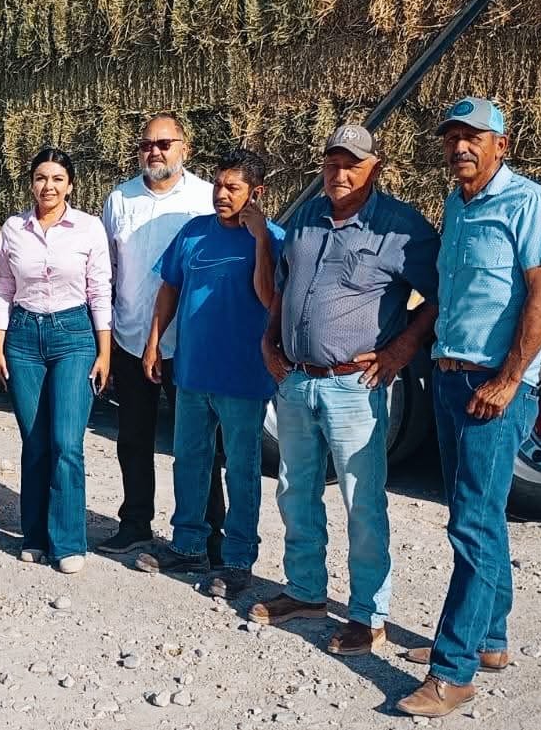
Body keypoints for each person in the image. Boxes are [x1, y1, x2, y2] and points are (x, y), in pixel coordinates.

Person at [394, 97, 541, 718]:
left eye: (473, 137)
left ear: (501, 144)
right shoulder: (457, 205)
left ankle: (453, 671)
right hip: (449, 379)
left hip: (492, 387)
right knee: (479, 517)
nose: (460, 147)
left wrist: (511, 379)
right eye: (452, 138)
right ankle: (489, 640)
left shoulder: (528, 202)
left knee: (471, 524)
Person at [254, 125, 440, 656]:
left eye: (352, 165)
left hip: (353, 387)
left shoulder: (400, 228)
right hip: (296, 379)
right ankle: (305, 591)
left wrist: (400, 351)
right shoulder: (306, 218)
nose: (339, 174)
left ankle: (368, 614)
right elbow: (284, 288)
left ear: (375, 168)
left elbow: (440, 294)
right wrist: (269, 340)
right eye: (333, 163)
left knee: (362, 501)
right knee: (295, 491)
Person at [134, 148, 282, 599]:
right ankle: (187, 545)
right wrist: (154, 342)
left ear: (256, 193)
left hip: (243, 376)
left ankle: (238, 559)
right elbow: (169, 288)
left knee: (242, 469)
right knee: (190, 460)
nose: (221, 194)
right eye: (218, 184)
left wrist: (260, 238)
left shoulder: (275, 238)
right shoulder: (194, 232)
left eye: (233, 188)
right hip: (193, 371)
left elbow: (270, 298)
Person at [98, 112, 222, 557]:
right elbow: (107, 269)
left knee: (196, 445)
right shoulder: (120, 199)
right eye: (147, 144)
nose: (155, 151)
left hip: (189, 342)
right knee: (133, 438)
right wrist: (106, 339)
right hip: (132, 337)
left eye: (164, 144)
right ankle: (135, 523)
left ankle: (209, 533)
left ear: (184, 148)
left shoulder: (205, 198)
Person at [0, 147, 112, 574]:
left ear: (70, 185)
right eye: (41, 177)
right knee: (35, 441)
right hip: (23, 336)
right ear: (31, 183)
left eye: (58, 178)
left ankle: (68, 541)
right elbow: (4, 286)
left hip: (74, 334)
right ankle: (35, 536)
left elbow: (99, 289)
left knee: (66, 442)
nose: (49, 186)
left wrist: (104, 350)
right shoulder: (13, 228)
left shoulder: (89, 228)